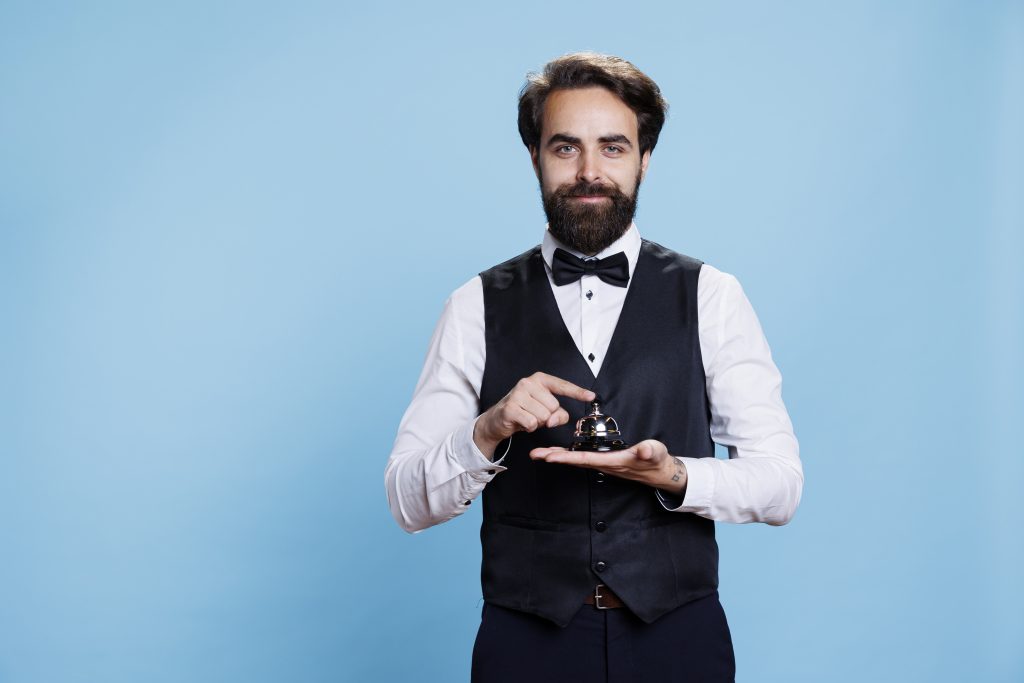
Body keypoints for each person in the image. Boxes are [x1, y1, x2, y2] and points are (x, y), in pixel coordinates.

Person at [385, 52, 803, 682]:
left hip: (678, 639)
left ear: (644, 159)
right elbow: (407, 502)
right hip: (525, 646)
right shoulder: (474, 305)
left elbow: (780, 485)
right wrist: (486, 431)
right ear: (534, 157)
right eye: (565, 148)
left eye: (612, 147)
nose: (588, 171)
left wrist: (675, 475)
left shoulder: (712, 295)